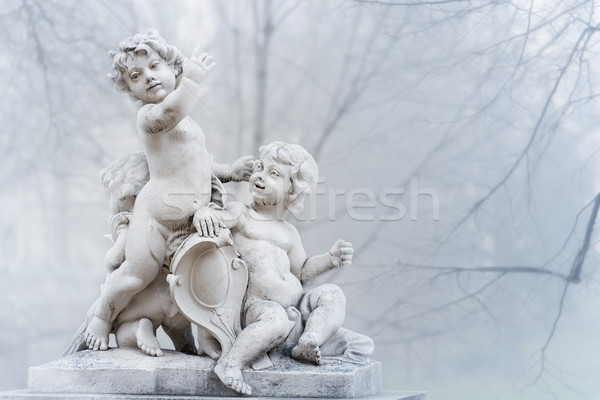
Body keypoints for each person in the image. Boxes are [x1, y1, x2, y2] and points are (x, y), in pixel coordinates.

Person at [85, 29, 237, 352]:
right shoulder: (150, 117)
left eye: (155, 66)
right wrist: (192, 83)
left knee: (190, 282)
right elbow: (170, 114)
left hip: (187, 222)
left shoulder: (191, 126)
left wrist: (233, 172)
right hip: (155, 218)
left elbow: (200, 165)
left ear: (173, 68)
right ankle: (101, 314)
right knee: (135, 275)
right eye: (136, 76)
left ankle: (189, 338)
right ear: (132, 90)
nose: (148, 78)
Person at [195, 141, 373, 395]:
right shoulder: (241, 213)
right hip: (256, 308)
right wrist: (204, 214)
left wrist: (329, 259)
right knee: (276, 320)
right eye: (260, 167)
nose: (260, 176)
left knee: (333, 294)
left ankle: (309, 339)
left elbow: (300, 271)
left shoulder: (289, 232)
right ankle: (231, 364)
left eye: (274, 173)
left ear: (292, 190)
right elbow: (216, 217)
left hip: (298, 309)